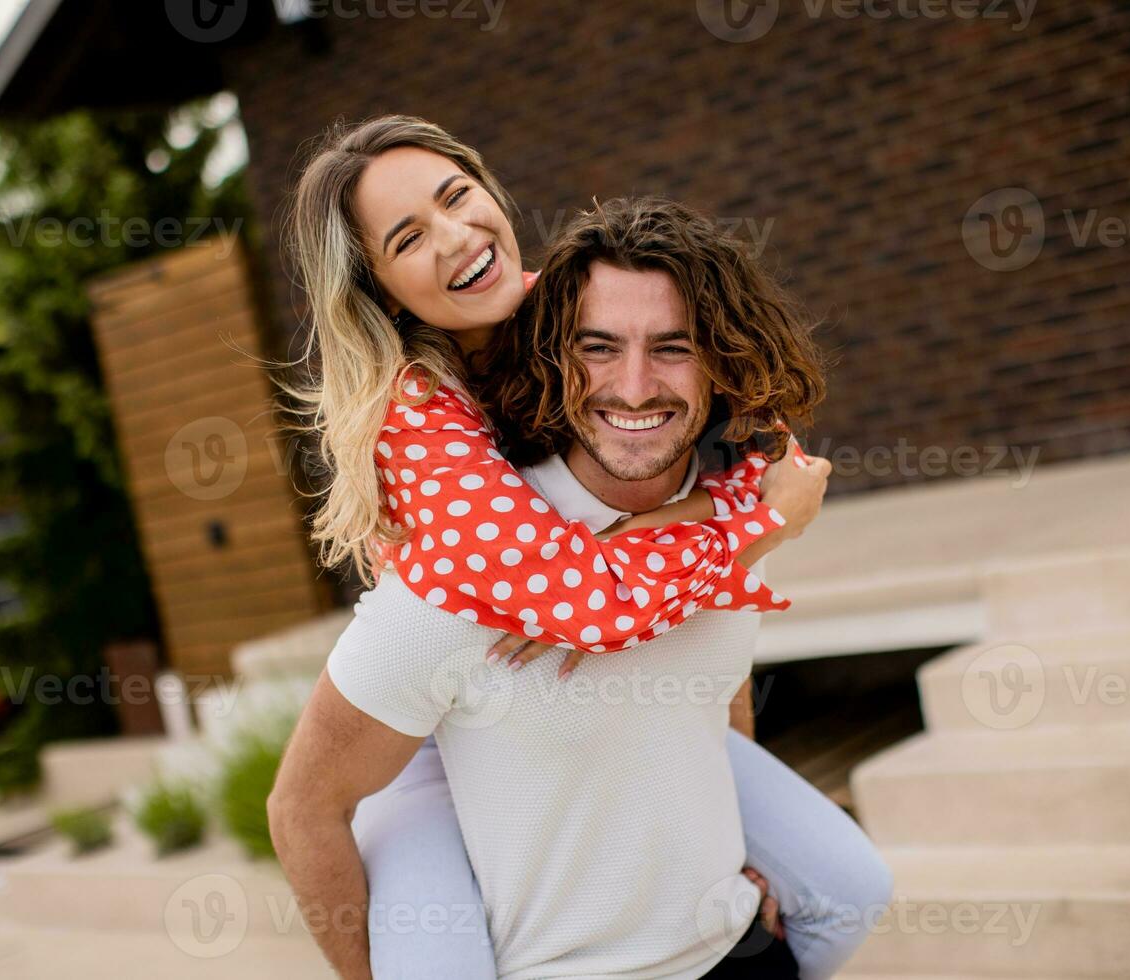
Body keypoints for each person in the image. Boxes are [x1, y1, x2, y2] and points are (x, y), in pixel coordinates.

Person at [270, 180, 892, 978]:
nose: (634, 385)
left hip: (736, 952)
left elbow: (713, 684)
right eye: (598, 348)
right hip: (536, 925)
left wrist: (731, 850)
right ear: (553, 358)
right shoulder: (452, 580)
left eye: (673, 346)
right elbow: (303, 806)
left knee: (855, 885)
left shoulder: (728, 506)